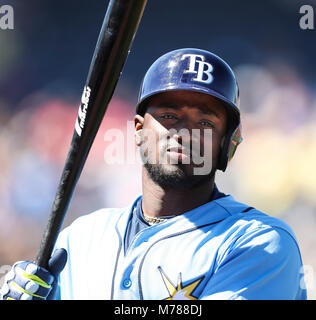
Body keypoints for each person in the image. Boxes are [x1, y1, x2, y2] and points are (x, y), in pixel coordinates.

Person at [0, 48, 307, 300]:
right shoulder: (80, 239)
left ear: (228, 142)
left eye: (205, 122)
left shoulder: (259, 244)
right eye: (169, 116)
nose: (184, 132)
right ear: (138, 130)